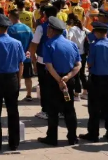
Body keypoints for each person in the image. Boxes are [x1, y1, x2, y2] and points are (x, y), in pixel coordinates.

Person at [0, 14, 26, 152]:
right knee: (13, 111)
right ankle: (14, 142)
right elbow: (21, 64)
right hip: (12, 78)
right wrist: (19, 80)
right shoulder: (17, 43)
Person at [38, 17, 81, 146]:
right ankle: (72, 137)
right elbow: (78, 65)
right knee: (69, 109)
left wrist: (59, 80)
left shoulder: (49, 44)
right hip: (68, 81)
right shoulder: (71, 44)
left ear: (52, 30)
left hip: (53, 81)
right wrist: (68, 77)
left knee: (53, 110)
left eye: (48, 29)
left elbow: (49, 66)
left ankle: (52, 138)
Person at [79, 22, 108, 142]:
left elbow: (90, 63)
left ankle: (93, 134)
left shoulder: (94, 45)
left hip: (96, 79)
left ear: (96, 32)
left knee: (94, 108)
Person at [7, 9, 34, 101]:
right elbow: (32, 42)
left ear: (11, 17)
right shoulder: (27, 28)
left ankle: (14, 95)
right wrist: (29, 51)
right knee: (28, 77)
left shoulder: (10, 29)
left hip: (14, 59)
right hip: (26, 57)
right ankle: (29, 94)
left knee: (14, 78)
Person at [67, 15, 88, 99]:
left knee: (76, 74)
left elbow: (69, 37)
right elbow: (91, 33)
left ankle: (77, 93)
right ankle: (85, 91)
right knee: (82, 73)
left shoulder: (72, 29)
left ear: (71, 21)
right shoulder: (83, 29)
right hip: (83, 53)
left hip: (75, 54)